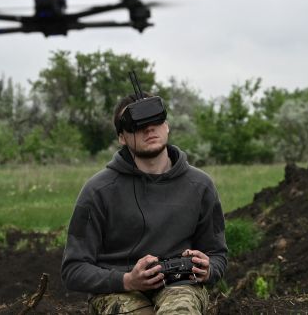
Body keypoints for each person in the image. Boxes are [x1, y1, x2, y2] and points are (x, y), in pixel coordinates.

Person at [61, 93, 228, 314]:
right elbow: (73, 269)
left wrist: (208, 269)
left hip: (179, 284)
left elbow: (217, 254)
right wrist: (127, 280)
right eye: (136, 125)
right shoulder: (97, 190)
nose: (149, 129)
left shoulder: (200, 185)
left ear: (166, 125)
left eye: (155, 119)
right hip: (118, 289)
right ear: (122, 137)